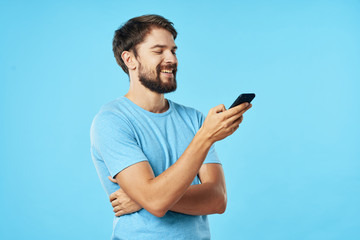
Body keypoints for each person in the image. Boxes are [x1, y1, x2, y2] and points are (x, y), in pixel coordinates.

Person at [90, 14, 252, 240]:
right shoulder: (112, 121)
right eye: (159, 51)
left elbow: (217, 199)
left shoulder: (194, 119)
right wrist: (205, 137)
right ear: (130, 60)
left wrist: (142, 198)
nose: (172, 59)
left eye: (173, 51)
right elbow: (156, 202)